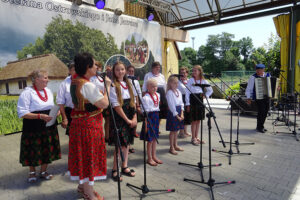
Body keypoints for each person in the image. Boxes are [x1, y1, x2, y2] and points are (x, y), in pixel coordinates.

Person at [68, 53, 110, 200]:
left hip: (79, 126)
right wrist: (108, 87)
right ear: (87, 67)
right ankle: (88, 192)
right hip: (89, 128)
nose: (96, 67)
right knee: (89, 157)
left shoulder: (75, 81)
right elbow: (104, 104)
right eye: (94, 65)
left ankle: (82, 186)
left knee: (82, 156)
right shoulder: (87, 85)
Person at [17, 69, 61, 183]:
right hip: (33, 126)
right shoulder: (27, 93)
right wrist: (39, 116)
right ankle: (32, 172)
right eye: (45, 77)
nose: (48, 80)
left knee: (47, 148)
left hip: (49, 125)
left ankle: (43, 171)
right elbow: (22, 113)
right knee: (33, 149)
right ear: (36, 80)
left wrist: (56, 112)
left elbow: (51, 106)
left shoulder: (48, 91)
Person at [109, 61, 137, 182]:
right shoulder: (113, 85)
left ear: (125, 70)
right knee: (120, 144)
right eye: (117, 70)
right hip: (120, 117)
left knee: (127, 143)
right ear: (114, 72)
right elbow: (116, 106)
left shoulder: (129, 83)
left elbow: (134, 102)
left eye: (122, 69)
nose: (120, 72)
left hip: (130, 115)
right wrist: (127, 120)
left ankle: (124, 165)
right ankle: (115, 169)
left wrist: (135, 117)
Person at [185, 65, 213, 145]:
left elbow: (210, 90)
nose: (193, 72)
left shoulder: (203, 81)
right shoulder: (191, 80)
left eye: (195, 71)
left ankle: (196, 137)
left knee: (198, 120)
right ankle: (193, 138)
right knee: (194, 120)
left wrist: (205, 96)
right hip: (193, 100)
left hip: (200, 100)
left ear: (200, 71)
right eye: (193, 71)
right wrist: (187, 104)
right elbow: (187, 92)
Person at [140, 78, 162, 166]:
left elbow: (157, 106)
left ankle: (154, 155)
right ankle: (149, 158)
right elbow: (143, 111)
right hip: (149, 118)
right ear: (148, 87)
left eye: (156, 86)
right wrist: (145, 123)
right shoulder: (145, 98)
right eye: (152, 86)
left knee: (155, 138)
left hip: (156, 116)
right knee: (150, 139)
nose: (154, 88)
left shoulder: (158, 95)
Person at [245, 63, 270, 133]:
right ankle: (259, 127)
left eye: (260, 70)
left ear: (263, 70)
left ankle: (261, 125)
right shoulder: (253, 77)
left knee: (265, 111)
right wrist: (248, 98)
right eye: (257, 70)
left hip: (267, 96)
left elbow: (272, 85)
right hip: (258, 96)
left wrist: (277, 88)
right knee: (261, 111)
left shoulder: (268, 75)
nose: (258, 72)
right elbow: (249, 88)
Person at [166, 76, 185, 155]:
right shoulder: (169, 93)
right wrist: (177, 116)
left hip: (179, 111)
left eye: (177, 83)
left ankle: (175, 145)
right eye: (174, 83)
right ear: (170, 84)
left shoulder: (178, 91)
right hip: (173, 113)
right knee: (173, 131)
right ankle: (171, 147)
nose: (176, 85)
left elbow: (181, 103)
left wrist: (182, 113)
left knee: (176, 130)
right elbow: (171, 105)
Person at [56, 63, 76, 135]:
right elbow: (60, 102)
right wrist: (64, 118)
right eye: (74, 70)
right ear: (69, 71)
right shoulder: (65, 83)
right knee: (72, 135)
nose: (76, 72)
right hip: (70, 112)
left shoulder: (85, 80)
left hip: (84, 112)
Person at [127, 65, 141, 154]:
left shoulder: (135, 81)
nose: (131, 72)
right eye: (130, 71)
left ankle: (129, 145)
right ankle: (125, 146)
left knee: (132, 125)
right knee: (127, 125)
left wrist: (138, 105)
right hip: (126, 103)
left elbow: (137, 94)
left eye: (132, 71)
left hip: (133, 103)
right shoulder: (125, 80)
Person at [177, 66, 192, 138]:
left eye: (184, 72)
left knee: (187, 115)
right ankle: (181, 132)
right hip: (180, 98)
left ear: (187, 73)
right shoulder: (177, 81)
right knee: (181, 115)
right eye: (181, 73)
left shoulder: (189, 81)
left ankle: (185, 131)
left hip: (188, 98)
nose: (183, 74)